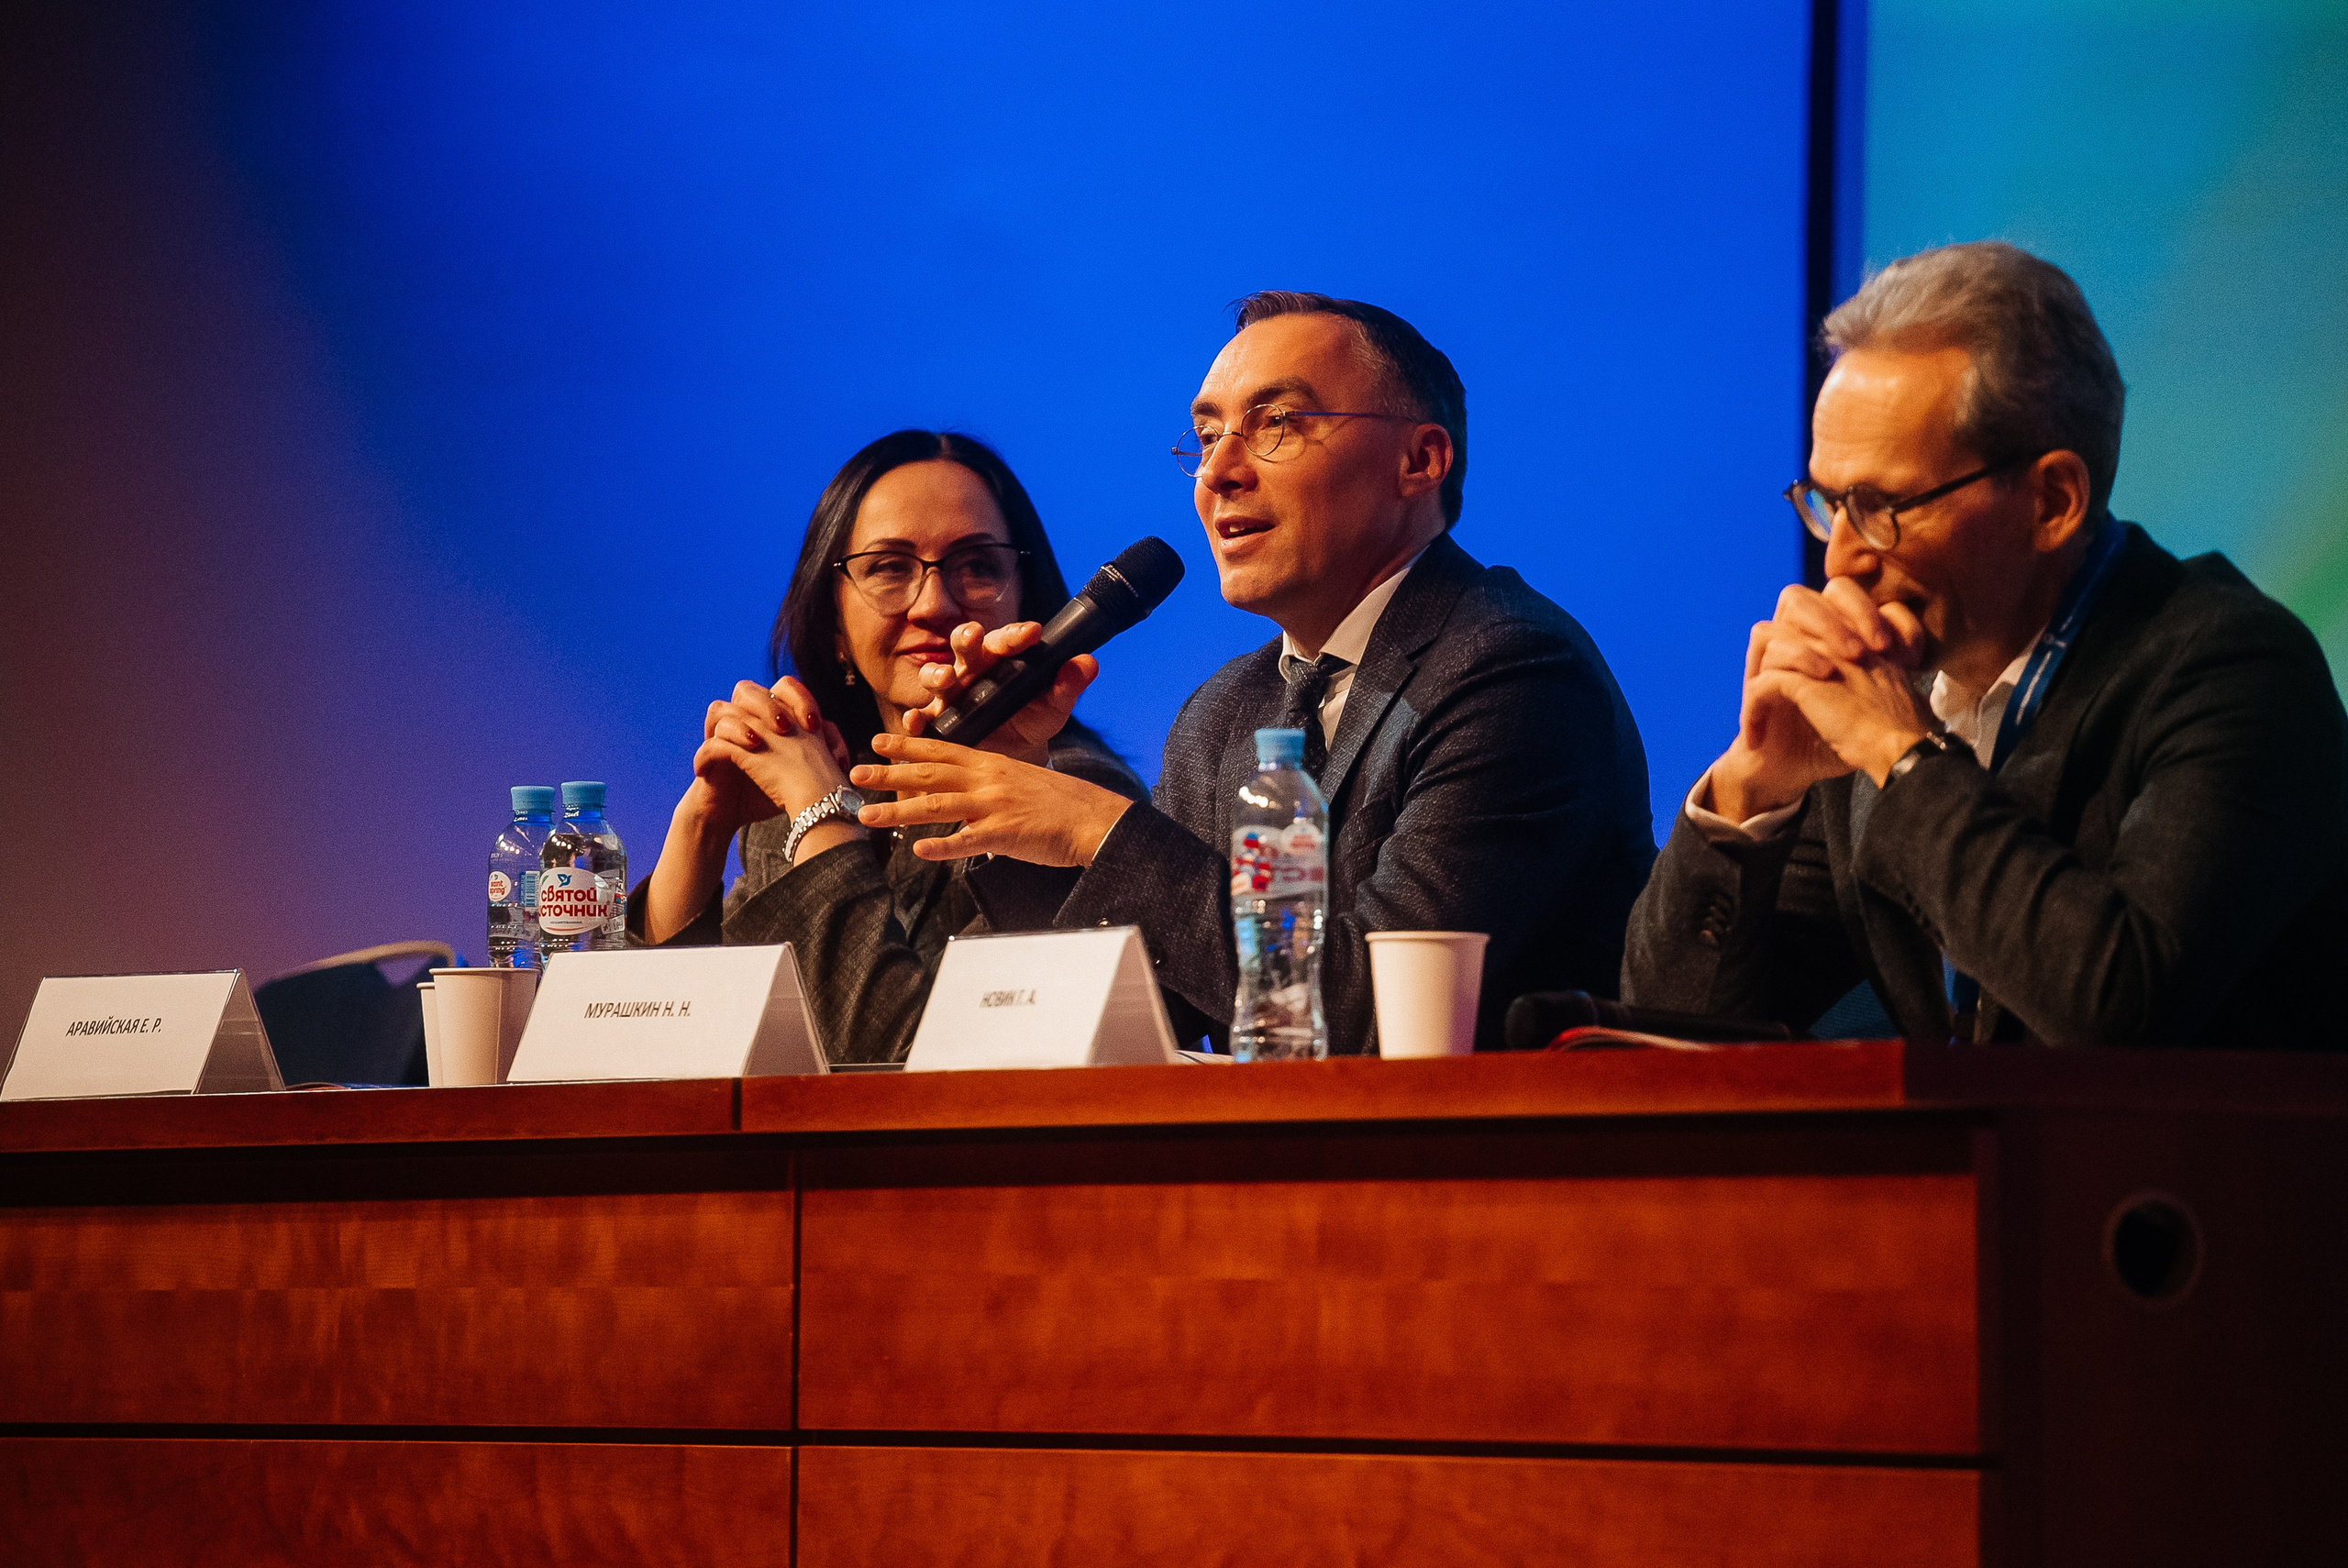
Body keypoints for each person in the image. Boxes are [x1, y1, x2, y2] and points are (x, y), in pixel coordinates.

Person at [848, 293, 1655, 1052]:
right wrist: (1019, 785)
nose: (1217, 473)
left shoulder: (1512, 672)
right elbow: (1129, 1009)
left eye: (1276, 425)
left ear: (1420, 460)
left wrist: (1098, 828)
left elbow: (1369, 1013)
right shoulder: (1230, 709)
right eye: (1205, 438)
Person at [1623, 241, 2348, 1047]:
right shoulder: (1883, 695)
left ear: (2052, 500)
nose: (1841, 558)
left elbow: (2119, 1009)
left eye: (1881, 505)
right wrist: (1752, 795)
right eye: (1829, 501)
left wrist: (1903, 758)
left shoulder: (2234, 672)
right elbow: (1671, 1036)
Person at [627, 430, 1143, 1063]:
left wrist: (820, 816)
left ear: (1027, 601)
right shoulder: (815, 786)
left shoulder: (1079, 791)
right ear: (832, 625)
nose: (934, 604)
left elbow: (912, 1066)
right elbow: (662, 1048)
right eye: (890, 568)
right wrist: (703, 825)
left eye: (977, 565)